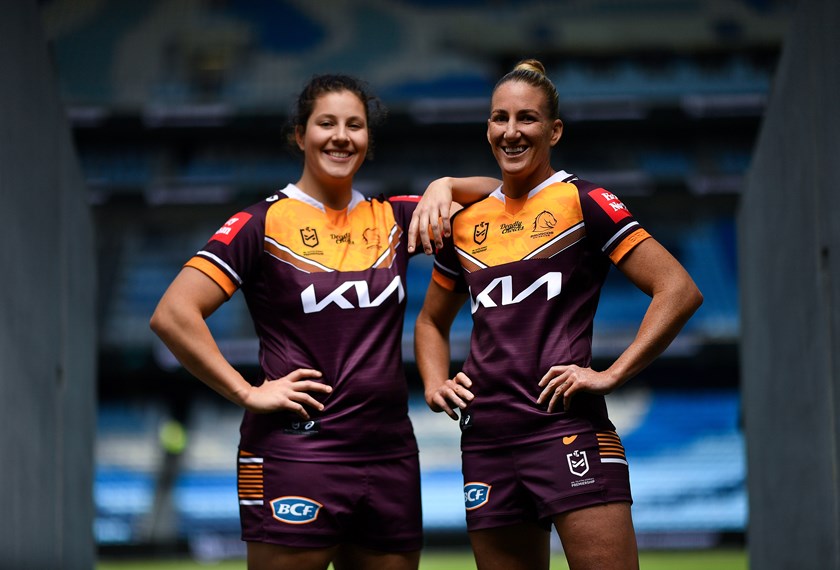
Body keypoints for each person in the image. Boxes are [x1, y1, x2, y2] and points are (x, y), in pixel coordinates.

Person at [150, 73, 496, 570]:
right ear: (300, 134)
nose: (341, 136)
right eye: (326, 123)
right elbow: (173, 314)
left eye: (355, 125)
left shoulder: (394, 219)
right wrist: (247, 392)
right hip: (296, 453)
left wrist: (445, 186)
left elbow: (504, 198)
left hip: (389, 455)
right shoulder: (261, 223)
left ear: (367, 141)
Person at [412, 59, 704, 570]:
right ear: (487, 128)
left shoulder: (584, 201)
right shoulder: (463, 224)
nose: (511, 131)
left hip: (565, 430)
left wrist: (612, 373)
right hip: (486, 441)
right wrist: (435, 382)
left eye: (526, 118)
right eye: (499, 118)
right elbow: (431, 322)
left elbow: (677, 289)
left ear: (554, 129)